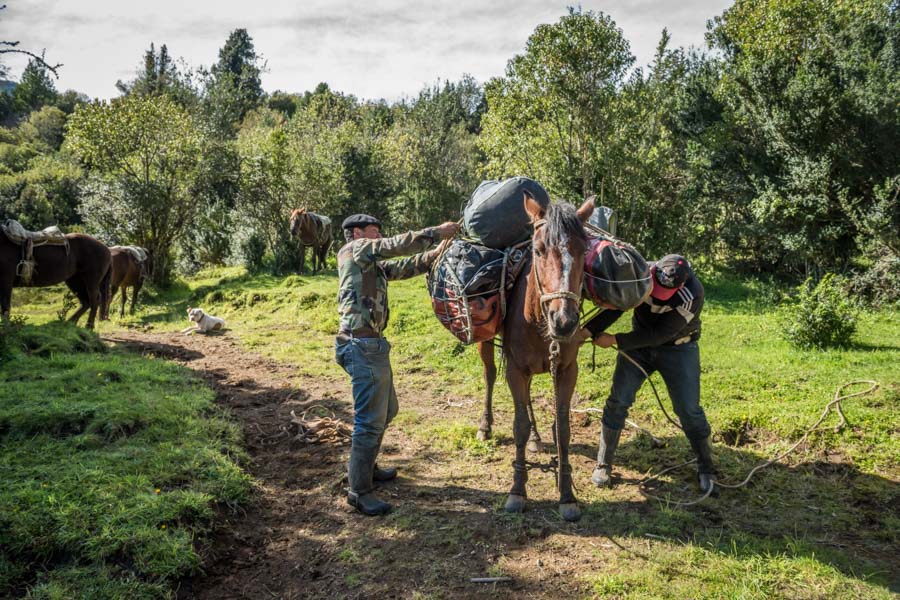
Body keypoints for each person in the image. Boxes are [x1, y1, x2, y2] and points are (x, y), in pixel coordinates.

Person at [335, 214, 459, 515]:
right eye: (373, 230)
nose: (378, 235)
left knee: (387, 411)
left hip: (370, 345)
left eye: (378, 231)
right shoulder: (356, 249)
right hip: (362, 345)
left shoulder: (369, 262)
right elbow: (395, 246)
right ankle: (359, 491)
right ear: (356, 233)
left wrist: (435, 252)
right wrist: (434, 231)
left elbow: (401, 267)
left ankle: (367, 468)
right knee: (369, 421)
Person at [580, 254, 717, 494]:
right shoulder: (641, 274)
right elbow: (618, 307)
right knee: (618, 401)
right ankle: (603, 464)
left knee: (688, 409)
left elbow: (660, 335)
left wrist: (615, 340)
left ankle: (706, 468)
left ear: (681, 285)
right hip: (639, 346)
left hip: (678, 348)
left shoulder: (692, 295)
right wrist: (587, 331)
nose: (656, 293)